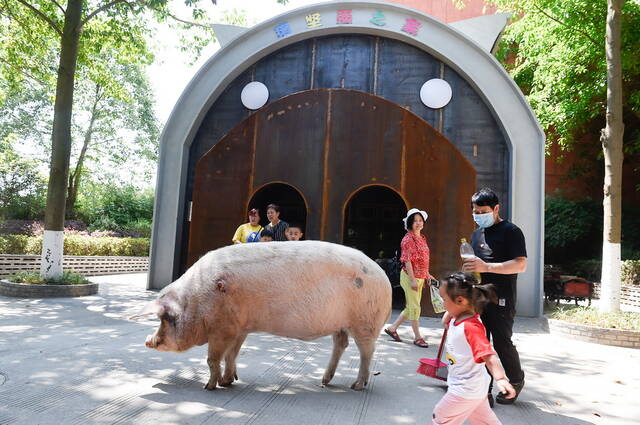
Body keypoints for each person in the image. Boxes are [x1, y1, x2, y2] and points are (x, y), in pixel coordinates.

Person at [462, 188, 527, 405]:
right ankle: (484, 390)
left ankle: (516, 380)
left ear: (496, 208)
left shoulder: (511, 231)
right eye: (475, 211)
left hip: (502, 298)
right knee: (480, 344)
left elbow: (521, 264)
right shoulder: (476, 233)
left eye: (483, 211)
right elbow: (478, 266)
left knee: (501, 343)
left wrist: (487, 265)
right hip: (478, 298)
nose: (478, 215)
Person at [431, 272, 515, 425]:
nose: (442, 303)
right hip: (473, 387)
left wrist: (501, 379)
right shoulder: (458, 317)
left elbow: (489, 355)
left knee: (441, 417)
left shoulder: (471, 327)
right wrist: (449, 313)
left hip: (465, 389)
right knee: (484, 421)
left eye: (444, 299)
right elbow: (450, 317)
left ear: (460, 300)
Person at [384, 208, 434, 348]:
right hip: (409, 277)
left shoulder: (422, 238)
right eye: (415, 221)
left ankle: (392, 329)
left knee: (411, 307)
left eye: (420, 220)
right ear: (409, 224)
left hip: (420, 277)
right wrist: (412, 280)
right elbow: (407, 260)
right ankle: (418, 337)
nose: (418, 223)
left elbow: (422, 259)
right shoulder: (408, 239)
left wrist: (427, 274)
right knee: (415, 307)